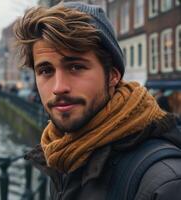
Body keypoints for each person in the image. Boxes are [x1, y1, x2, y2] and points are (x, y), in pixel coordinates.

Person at [14, 2, 181, 200]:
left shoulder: (164, 183)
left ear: (112, 75)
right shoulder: (62, 155)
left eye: (75, 67)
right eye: (45, 70)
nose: (58, 87)